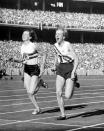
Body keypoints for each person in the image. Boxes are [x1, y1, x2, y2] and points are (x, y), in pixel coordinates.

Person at [53, 26, 79, 120]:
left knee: (67, 96)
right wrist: (54, 65)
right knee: (58, 92)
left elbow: (76, 59)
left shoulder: (67, 44)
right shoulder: (55, 45)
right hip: (60, 69)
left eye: (59, 34)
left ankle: (74, 82)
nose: (57, 36)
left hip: (69, 68)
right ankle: (63, 115)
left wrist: (73, 72)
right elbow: (57, 55)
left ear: (63, 37)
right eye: (56, 34)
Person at [20, 29, 47, 115]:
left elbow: (44, 54)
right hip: (27, 69)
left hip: (35, 69)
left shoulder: (34, 45)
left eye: (25, 34)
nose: (23, 35)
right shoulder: (22, 47)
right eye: (23, 34)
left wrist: (42, 67)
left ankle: (39, 82)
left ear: (30, 37)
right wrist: (21, 67)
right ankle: (38, 108)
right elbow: (24, 60)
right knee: (29, 93)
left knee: (31, 92)